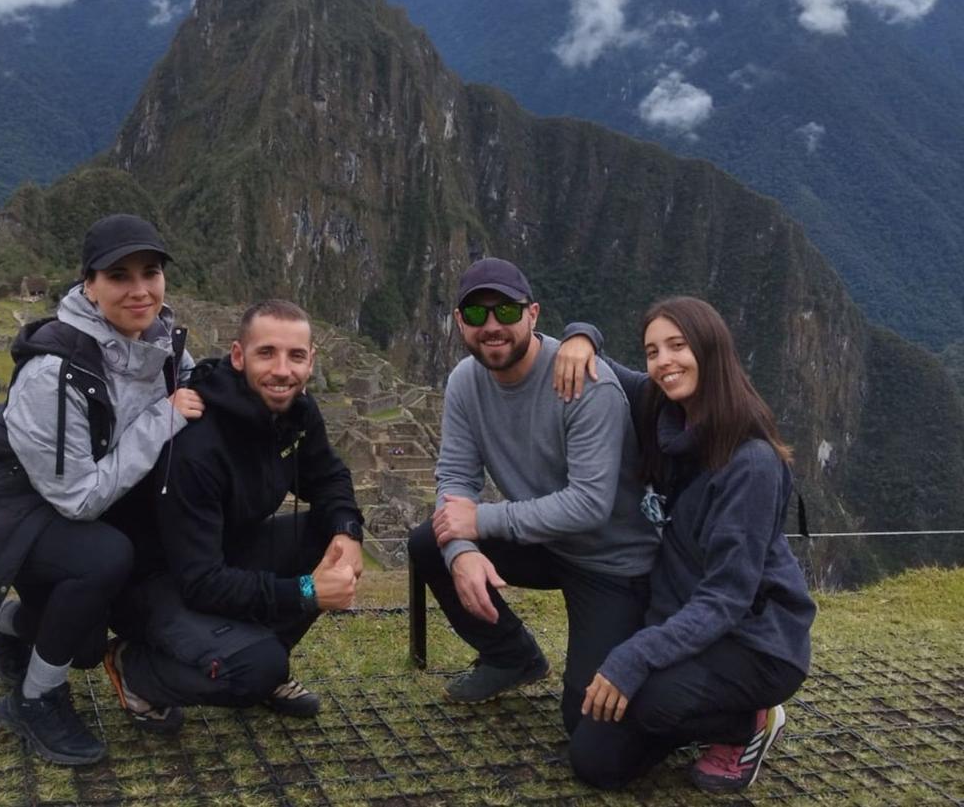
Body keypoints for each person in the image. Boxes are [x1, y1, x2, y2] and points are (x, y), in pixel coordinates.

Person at [0, 214, 203, 766]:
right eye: (119, 276)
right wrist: (161, 420)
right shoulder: (56, 369)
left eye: (151, 272)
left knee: (91, 639)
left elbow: (190, 385)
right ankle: (36, 699)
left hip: (44, 493)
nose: (140, 289)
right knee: (104, 559)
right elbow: (80, 499)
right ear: (90, 287)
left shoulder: (160, 339)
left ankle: (13, 628)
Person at [557, 296, 816, 792]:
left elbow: (725, 599)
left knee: (647, 697)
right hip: (683, 626)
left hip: (754, 641)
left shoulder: (751, 464)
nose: (663, 363)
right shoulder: (665, 411)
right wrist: (581, 333)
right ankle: (685, 712)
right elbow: (598, 361)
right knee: (594, 758)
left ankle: (747, 723)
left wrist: (636, 656)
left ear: (710, 348)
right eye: (653, 351)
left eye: (677, 346)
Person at [406, 258, 659, 733]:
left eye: (506, 311)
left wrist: (480, 522)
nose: (493, 326)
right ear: (460, 322)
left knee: (588, 729)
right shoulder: (465, 381)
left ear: (533, 313)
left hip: (612, 563)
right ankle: (512, 657)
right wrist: (461, 551)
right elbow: (455, 480)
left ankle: (723, 715)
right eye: (477, 316)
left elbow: (589, 504)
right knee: (429, 544)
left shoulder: (585, 383)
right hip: (546, 544)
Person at [101, 299, 364, 730]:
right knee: (254, 671)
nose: (283, 370)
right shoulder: (199, 446)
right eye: (267, 353)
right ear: (238, 356)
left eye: (296, 356)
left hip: (222, 552)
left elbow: (328, 476)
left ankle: (267, 659)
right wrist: (306, 591)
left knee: (325, 535)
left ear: (311, 361)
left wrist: (347, 531)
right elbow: (201, 583)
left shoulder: (297, 412)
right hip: (158, 584)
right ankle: (136, 667)